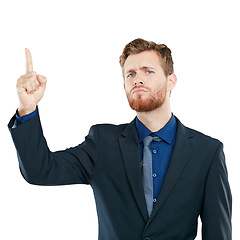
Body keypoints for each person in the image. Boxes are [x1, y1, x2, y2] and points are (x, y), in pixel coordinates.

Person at [8, 38, 232, 240]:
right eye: (131, 74)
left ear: (171, 80)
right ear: (124, 85)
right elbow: (40, 170)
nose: (138, 80)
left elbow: (218, 233)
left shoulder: (207, 152)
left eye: (148, 71)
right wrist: (27, 108)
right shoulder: (102, 143)